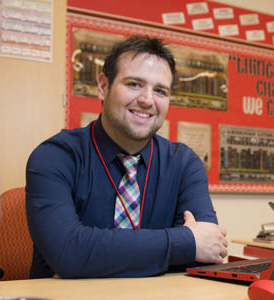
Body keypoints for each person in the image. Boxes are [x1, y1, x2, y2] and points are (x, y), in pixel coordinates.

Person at [25, 35, 228, 279]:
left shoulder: (185, 164)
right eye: (134, 84)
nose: (147, 100)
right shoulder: (56, 156)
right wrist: (184, 241)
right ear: (103, 86)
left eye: (160, 91)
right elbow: (69, 252)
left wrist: (92, 255)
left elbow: (208, 251)